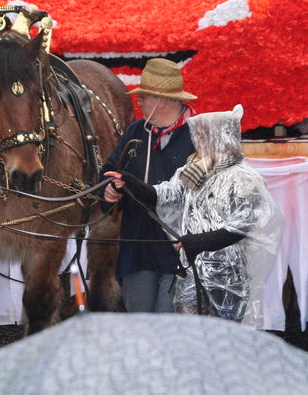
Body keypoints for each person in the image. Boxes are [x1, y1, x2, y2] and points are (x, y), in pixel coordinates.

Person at [105, 104, 283, 323]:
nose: (196, 139)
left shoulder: (242, 178)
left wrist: (200, 241)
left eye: (202, 134)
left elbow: (241, 226)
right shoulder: (192, 171)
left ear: (220, 137)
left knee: (222, 335)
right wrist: (130, 184)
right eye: (196, 134)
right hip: (191, 269)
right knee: (188, 335)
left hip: (226, 273)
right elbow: (164, 195)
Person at [99, 58, 196, 313]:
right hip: (137, 249)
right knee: (139, 327)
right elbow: (109, 170)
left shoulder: (197, 135)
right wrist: (109, 188)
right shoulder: (135, 132)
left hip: (179, 253)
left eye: (144, 98)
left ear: (161, 100)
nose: (139, 102)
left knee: (169, 330)